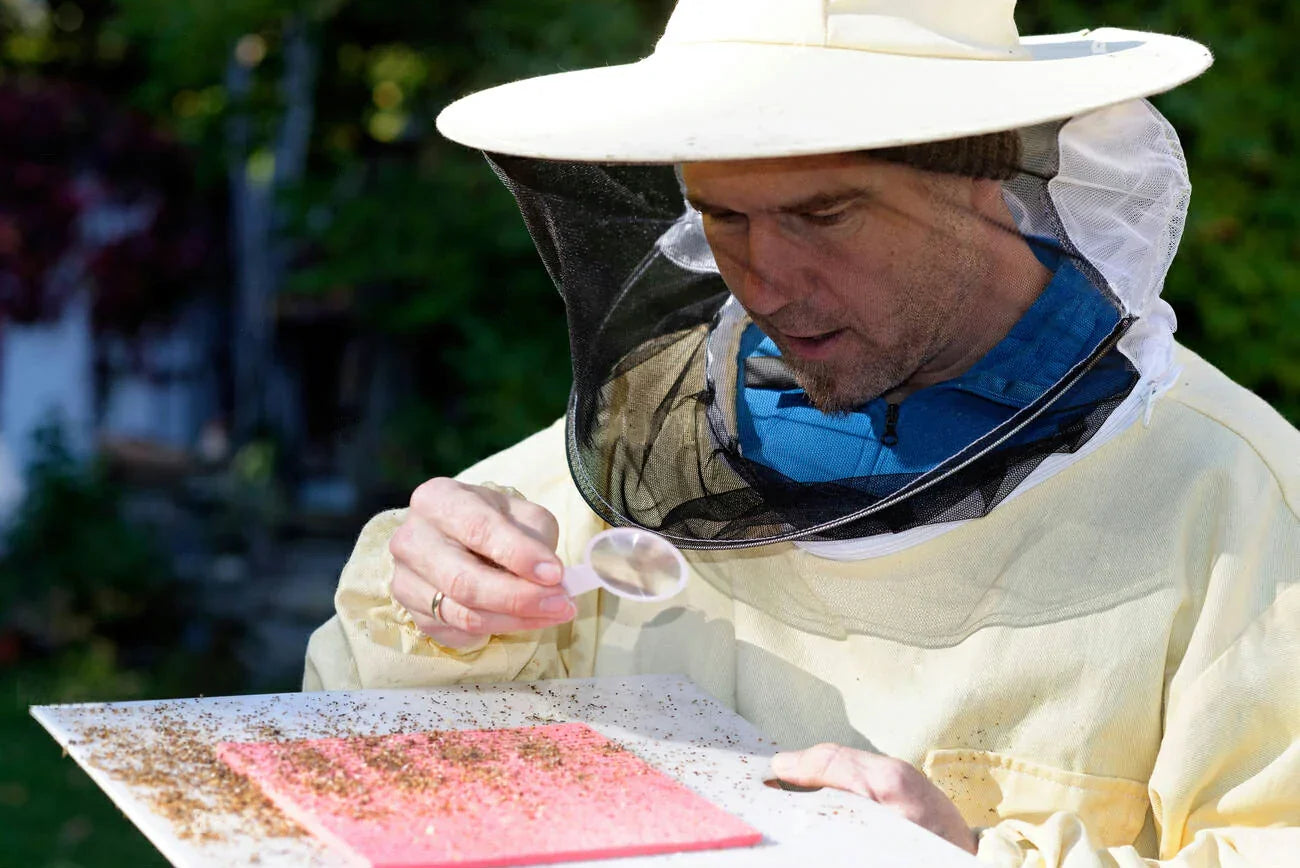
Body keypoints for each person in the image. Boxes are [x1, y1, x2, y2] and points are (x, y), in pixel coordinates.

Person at [304, 1, 1300, 864]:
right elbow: (345, 757)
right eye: (723, 217)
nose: (763, 280)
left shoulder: (1241, 504)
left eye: (826, 212)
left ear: (984, 178)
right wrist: (440, 606)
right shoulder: (654, 431)